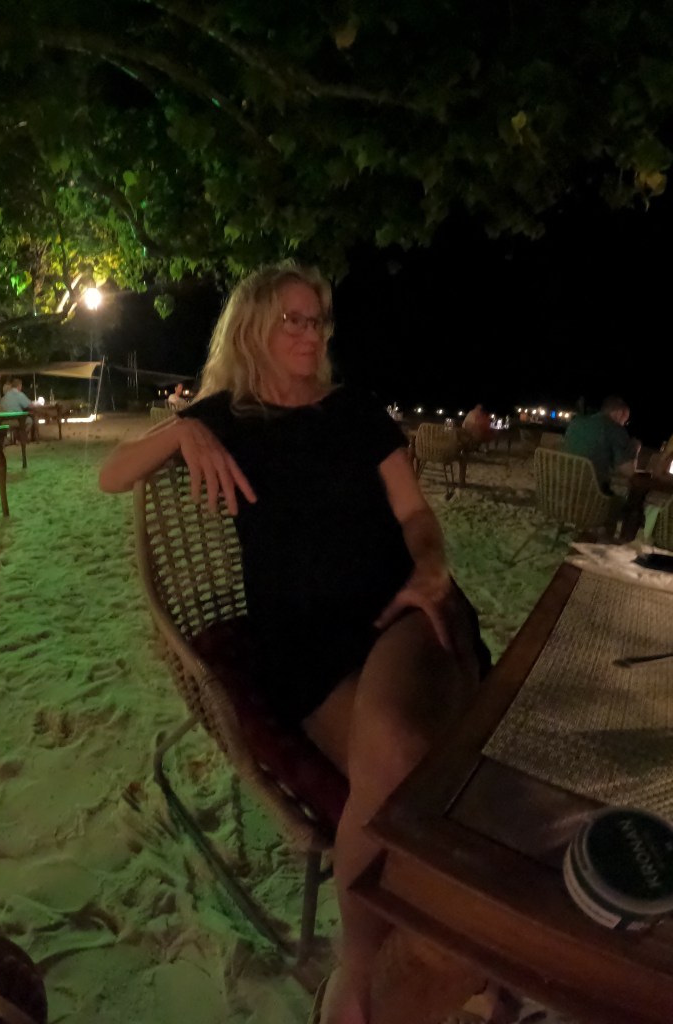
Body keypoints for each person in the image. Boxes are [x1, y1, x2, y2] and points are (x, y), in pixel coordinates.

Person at [99, 264, 491, 1024]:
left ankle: (357, 973)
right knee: (403, 767)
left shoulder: (355, 411)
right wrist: (181, 428)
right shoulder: (225, 417)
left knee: (395, 739)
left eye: (319, 321)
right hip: (303, 645)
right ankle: (436, 955)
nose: (312, 334)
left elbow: (415, 515)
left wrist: (431, 567)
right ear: (252, 328)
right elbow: (113, 475)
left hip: (398, 607)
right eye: (295, 320)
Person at [562, 396, 639, 494]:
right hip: (591, 493)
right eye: (624, 420)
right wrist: (635, 448)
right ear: (619, 413)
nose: (623, 424)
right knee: (631, 495)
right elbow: (629, 472)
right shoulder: (615, 429)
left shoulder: (576, 423)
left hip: (563, 487)